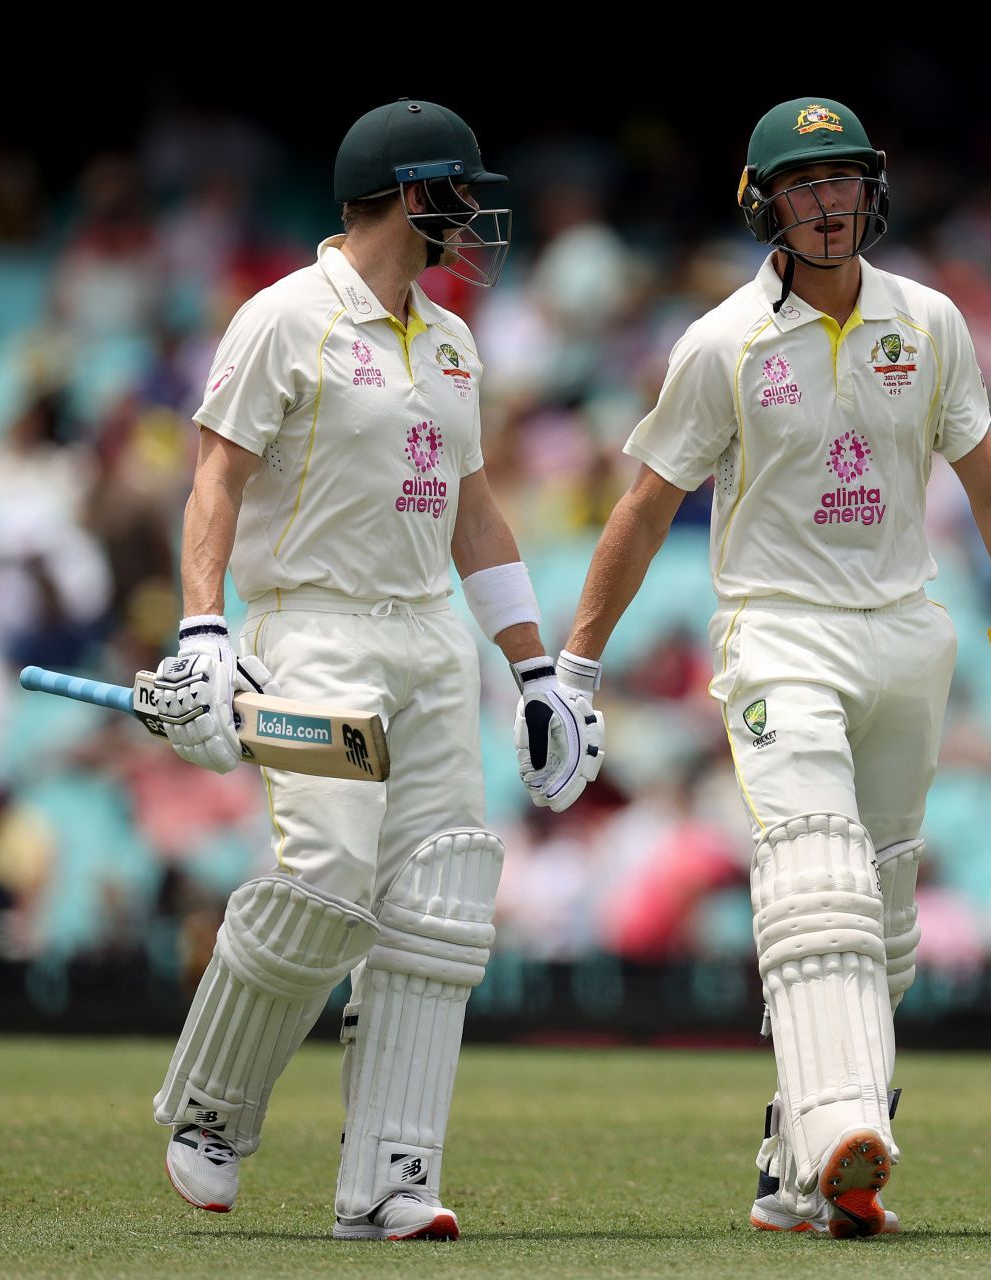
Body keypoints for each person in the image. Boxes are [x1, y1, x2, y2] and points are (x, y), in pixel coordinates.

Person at [552, 97, 991, 1238]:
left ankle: (795, 1154)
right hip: (780, 634)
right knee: (819, 875)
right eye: (805, 185)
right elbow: (648, 508)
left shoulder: (929, 322)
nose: (829, 203)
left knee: (886, 919)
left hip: (908, 633)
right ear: (763, 203)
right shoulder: (721, 346)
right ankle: (849, 1125)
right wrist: (576, 666)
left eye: (844, 179)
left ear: (872, 188)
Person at [147, 99, 598, 1243]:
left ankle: (389, 1176)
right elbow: (216, 479)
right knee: (331, 877)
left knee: (440, 902)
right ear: (415, 195)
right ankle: (209, 1104)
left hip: (430, 640)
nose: (474, 217)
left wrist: (533, 668)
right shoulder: (282, 318)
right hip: (316, 632)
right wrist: (204, 627)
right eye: (461, 193)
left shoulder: (449, 338)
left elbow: (474, 508)